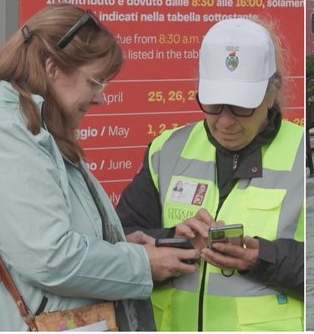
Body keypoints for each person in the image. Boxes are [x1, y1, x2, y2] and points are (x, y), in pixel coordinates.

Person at [0, 4, 198, 331]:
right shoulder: (7, 134)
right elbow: (50, 258)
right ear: (53, 68)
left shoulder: (38, 130)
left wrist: (129, 246)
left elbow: (61, 238)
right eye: (95, 82)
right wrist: (142, 264)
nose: (100, 97)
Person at [116, 18, 304, 331]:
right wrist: (172, 239)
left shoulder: (301, 154)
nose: (225, 122)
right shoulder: (166, 150)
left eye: (242, 107)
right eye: (214, 105)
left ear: (273, 92)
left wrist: (264, 259)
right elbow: (119, 240)